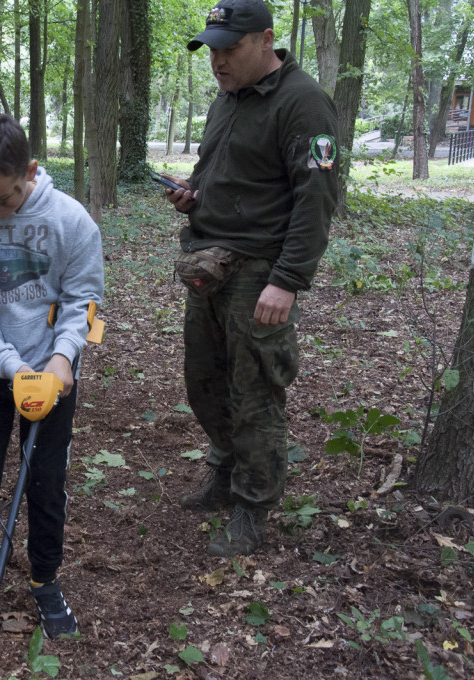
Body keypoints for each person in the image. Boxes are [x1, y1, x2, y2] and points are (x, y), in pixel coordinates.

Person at [163, 0, 338, 556]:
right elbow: (223, 174)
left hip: (259, 272)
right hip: (208, 266)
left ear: (265, 40)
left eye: (229, 48)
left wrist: (286, 280)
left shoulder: (304, 103)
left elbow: (318, 198)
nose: (217, 59)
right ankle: (224, 469)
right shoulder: (227, 99)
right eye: (211, 49)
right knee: (205, 382)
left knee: (255, 391)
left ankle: (253, 505)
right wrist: (191, 196)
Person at [0, 114, 104, 639]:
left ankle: (46, 580)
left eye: (3, 198)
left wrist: (62, 358)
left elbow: (86, 300)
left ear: (30, 171)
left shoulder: (73, 221)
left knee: (47, 481)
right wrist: (11, 366)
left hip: (53, 377)